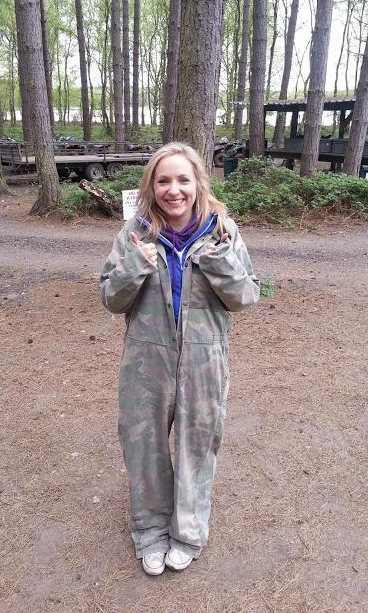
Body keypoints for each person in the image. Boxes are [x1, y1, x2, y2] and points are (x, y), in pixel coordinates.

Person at [100, 142, 259, 576]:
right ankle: (150, 532)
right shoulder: (135, 232)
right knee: (144, 445)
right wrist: (134, 265)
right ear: (152, 185)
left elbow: (246, 296)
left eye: (183, 180)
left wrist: (221, 263)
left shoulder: (222, 232)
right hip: (144, 363)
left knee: (197, 446)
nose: (174, 190)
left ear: (198, 184)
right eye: (164, 180)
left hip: (204, 363)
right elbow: (110, 299)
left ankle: (187, 534)